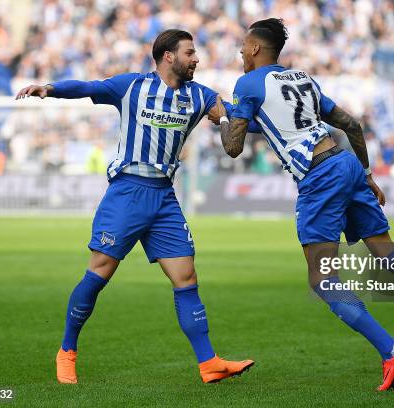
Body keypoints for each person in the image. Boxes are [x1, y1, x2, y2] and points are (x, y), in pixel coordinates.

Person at [215, 18, 394, 391]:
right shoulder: (302, 79)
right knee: (391, 257)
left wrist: (223, 120)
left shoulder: (247, 83)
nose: (241, 54)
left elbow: (233, 146)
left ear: (256, 48)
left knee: (323, 280)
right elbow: (350, 125)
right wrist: (367, 173)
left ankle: (391, 350)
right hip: (346, 163)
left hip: (319, 177)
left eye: (243, 47)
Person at [16, 29, 254, 385]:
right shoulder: (132, 86)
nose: (197, 59)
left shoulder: (201, 96)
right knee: (99, 273)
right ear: (168, 56)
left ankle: (209, 363)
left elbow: (235, 121)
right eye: (190, 52)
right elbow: (88, 87)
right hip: (127, 193)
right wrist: (50, 89)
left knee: (186, 278)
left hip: (164, 198)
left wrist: (261, 116)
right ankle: (67, 351)